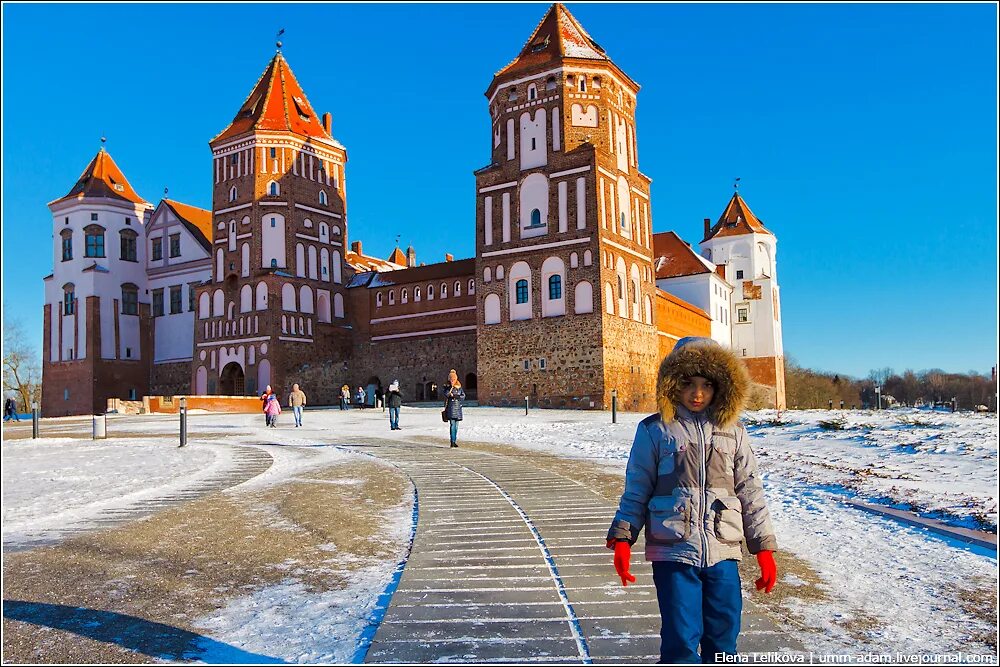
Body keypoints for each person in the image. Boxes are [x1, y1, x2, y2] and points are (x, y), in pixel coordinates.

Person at [605, 336, 778, 664]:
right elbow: (637, 489)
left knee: (724, 640)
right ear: (673, 385)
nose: (697, 394)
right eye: (688, 383)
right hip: (673, 550)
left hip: (723, 550)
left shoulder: (734, 431)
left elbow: (750, 491)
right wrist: (623, 538)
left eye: (706, 385)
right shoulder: (654, 430)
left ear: (721, 387)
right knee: (680, 642)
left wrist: (764, 547)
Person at [443, 369, 465, 448]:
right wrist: (450, 389)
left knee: (456, 426)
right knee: (452, 425)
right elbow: (446, 394)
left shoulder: (459, 387)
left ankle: (454, 440)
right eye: (451, 379)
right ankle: (452, 441)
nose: (452, 381)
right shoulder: (447, 387)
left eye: (454, 379)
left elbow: (463, 396)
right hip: (451, 408)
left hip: (458, 408)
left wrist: (456, 396)